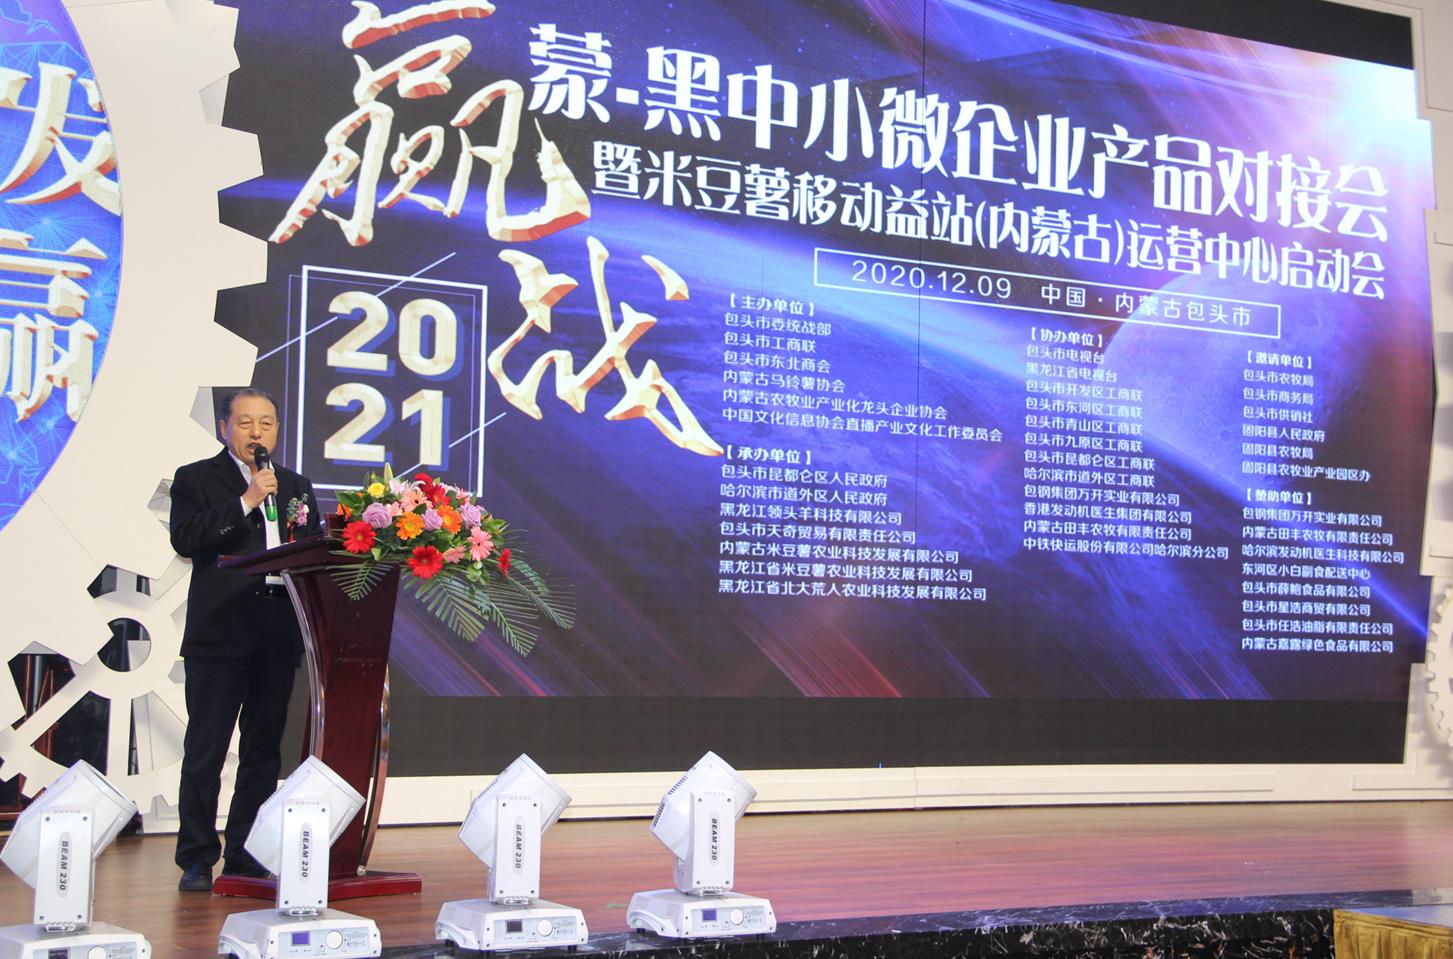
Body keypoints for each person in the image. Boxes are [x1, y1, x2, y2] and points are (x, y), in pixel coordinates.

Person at [169, 388, 320, 892]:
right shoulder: (196, 478)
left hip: (276, 631)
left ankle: (245, 853)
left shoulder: (295, 485)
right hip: (220, 632)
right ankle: (196, 858)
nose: (257, 432)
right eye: (246, 423)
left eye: (267, 423)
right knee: (207, 748)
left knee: (263, 751)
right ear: (224, 428)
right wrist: (247, 500)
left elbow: (311, 550)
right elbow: (186, 539)